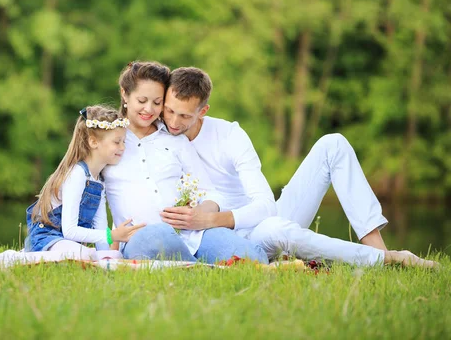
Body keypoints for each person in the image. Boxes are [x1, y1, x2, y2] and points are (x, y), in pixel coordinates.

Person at [160, 66, 437, 268]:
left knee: (334, 144)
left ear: (203, 111)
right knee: (281, 231)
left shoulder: (229, 136)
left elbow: (266, 206)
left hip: (256, 225)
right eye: (169, 111)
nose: (173, 122)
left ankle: (380, 252)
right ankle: (385, 261)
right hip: (214, 238)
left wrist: (211, 220)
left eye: (184, 115)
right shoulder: (158, 136)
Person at [103, 61, 268, 264]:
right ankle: (201, 266)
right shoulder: (108, 139)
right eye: (142, 100)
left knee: (253, 258)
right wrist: (108, 239)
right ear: (124, 94)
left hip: (193, 234)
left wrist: (200, 214)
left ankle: (189, 264)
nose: (149, 109)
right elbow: (88, 195)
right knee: (158, 236)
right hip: (140, 237)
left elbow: (211, 193)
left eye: (157, 102)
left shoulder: (176, 141)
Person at [24, 105, 145, 259]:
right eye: (117, 142)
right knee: (87, 254)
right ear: (94, 142)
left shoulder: (99, 181)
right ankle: (23, 254)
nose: (123, 147)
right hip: (47, 238)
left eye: (123, 141)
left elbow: (101, 228)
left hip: (70, 243)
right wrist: (112, 235)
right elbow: (70, 231)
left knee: (114, 255)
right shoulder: (77, 174)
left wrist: (106, 255)